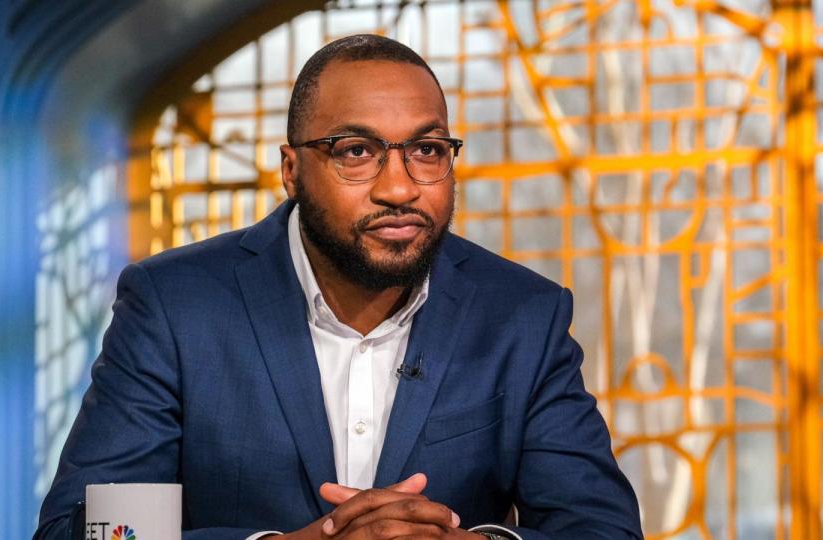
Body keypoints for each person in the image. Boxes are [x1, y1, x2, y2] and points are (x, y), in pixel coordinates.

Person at [35, 34, 642, 540]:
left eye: (428, 150)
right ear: (291, 170)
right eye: (356, 151)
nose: (400, 188)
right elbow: (87, 531)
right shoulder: (174, 305)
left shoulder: (521, 315)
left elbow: (601, 529)